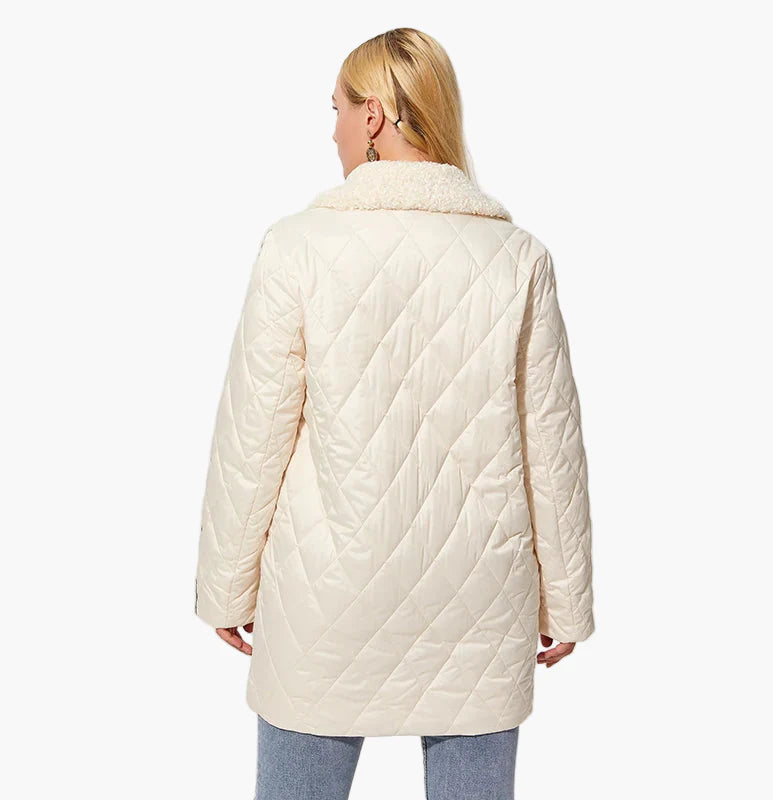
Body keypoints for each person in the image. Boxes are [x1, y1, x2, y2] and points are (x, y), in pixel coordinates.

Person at [194, 27, 595, 800]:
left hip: (324, 602)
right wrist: (567, 601)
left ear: (373, 115)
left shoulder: (297, 247)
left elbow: (253, 437)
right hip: (478, 605)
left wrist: (225, 589)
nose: (333, 130)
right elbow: (553, 446)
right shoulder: (518, 258)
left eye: (337, 109)